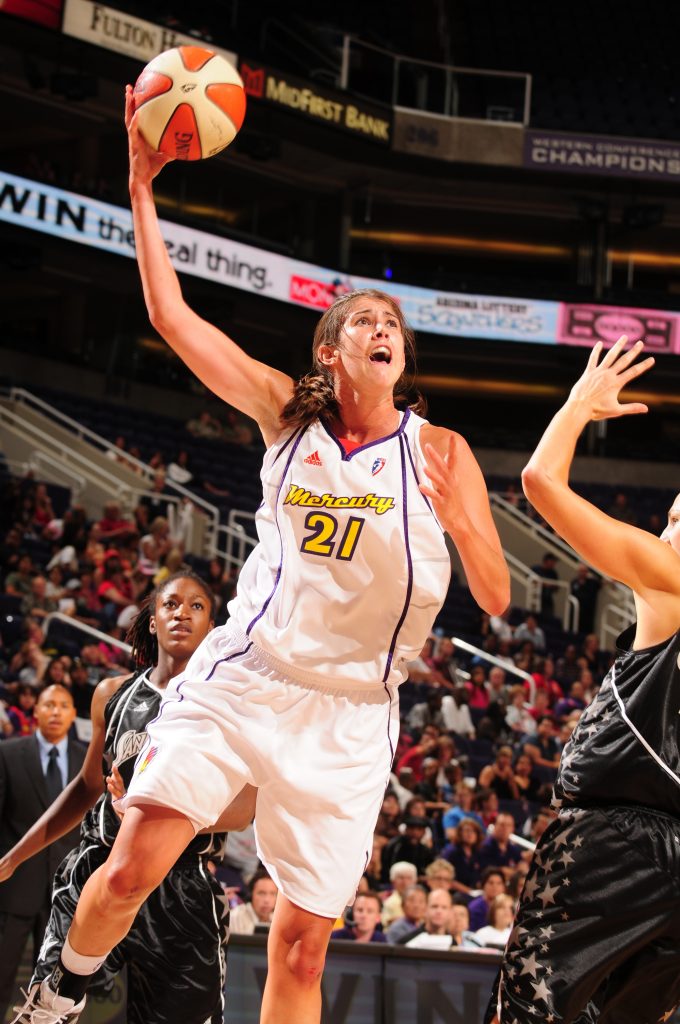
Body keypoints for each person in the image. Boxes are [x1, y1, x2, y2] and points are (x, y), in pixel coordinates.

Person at [20, 92, 509, 1024]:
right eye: (363, 319)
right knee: (130, 865)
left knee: (301, 942)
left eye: (392, 325)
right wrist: (139, 183)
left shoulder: (441, 455)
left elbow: (490, 590)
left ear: (401, 356)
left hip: (354, 715)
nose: (381, 329)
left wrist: (470, 525)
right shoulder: (289, 415)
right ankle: (57, 993)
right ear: (330, 349)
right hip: (247, 675)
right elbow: (171, 318)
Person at [486, 337, 680, 1024]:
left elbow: (541, 482)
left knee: (529, 1010)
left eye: (678, 515)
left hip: (615, 840)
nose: (668, 522)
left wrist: (576, 407)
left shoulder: (672, 576)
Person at [7, 572, 256, 1024]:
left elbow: (245, 809)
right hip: (100, 864)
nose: (183, 612)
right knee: (48, 1013)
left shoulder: (232, 706)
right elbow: (85, 788)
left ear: (213, 627)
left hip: (182, 883)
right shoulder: (112, 694)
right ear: (154, 621)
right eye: (172, 604)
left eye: (197, 606)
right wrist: (17, 855)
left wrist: (157, 811)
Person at [0, 684, 85, 1021]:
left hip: (64, 895)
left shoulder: (88, 760)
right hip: (14, 889)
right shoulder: (8, 753)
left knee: (53, 995)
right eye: (49, 704)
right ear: (35, 710)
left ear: (72, 714)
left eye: (64, 705)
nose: (55, 711)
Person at [229, 867, 278, 935]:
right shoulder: (234, 917)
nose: (267, 900)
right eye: (261, 893)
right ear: (251, 894)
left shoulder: (279, 921)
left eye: (272, 894)